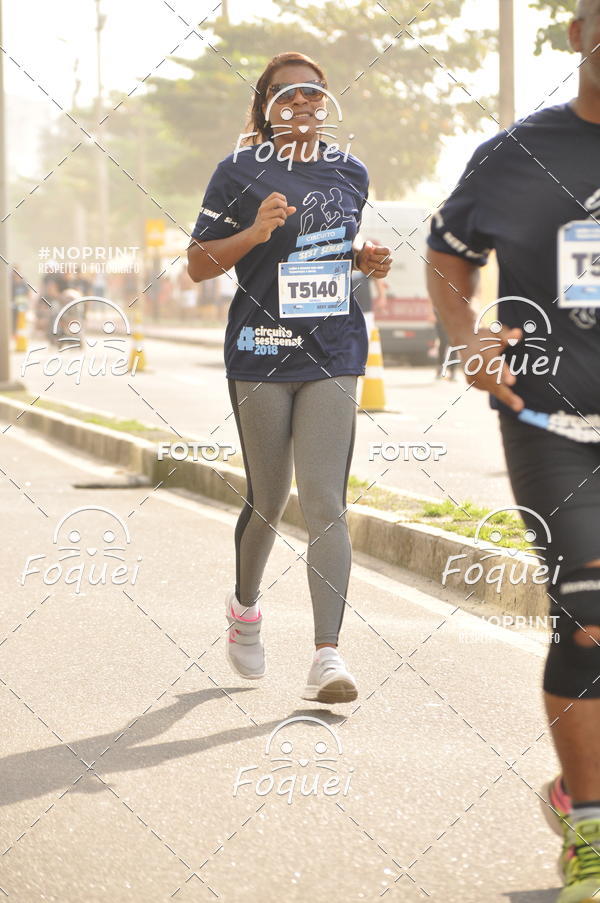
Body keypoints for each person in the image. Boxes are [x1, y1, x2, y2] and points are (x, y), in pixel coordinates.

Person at [426, 3, 600, 899]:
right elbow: (449, 253)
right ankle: (592, 829)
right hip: (551, 422)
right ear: (578, 34)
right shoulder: (514, 154)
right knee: (590, 612)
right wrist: (463, 333)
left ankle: (578, 789)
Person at [188, 51, 391, 704]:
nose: (303, 102)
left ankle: (326, 655)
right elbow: (197, 265)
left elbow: (331, 258)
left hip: (333, 348)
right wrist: (254, 231)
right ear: (267, 105)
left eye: (315, 93)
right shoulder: (238, 171)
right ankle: (245, 606)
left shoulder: (350, 172)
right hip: (261, 351)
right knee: (269, 498)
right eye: (288, 93)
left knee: (326, 500)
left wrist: (365, 260)